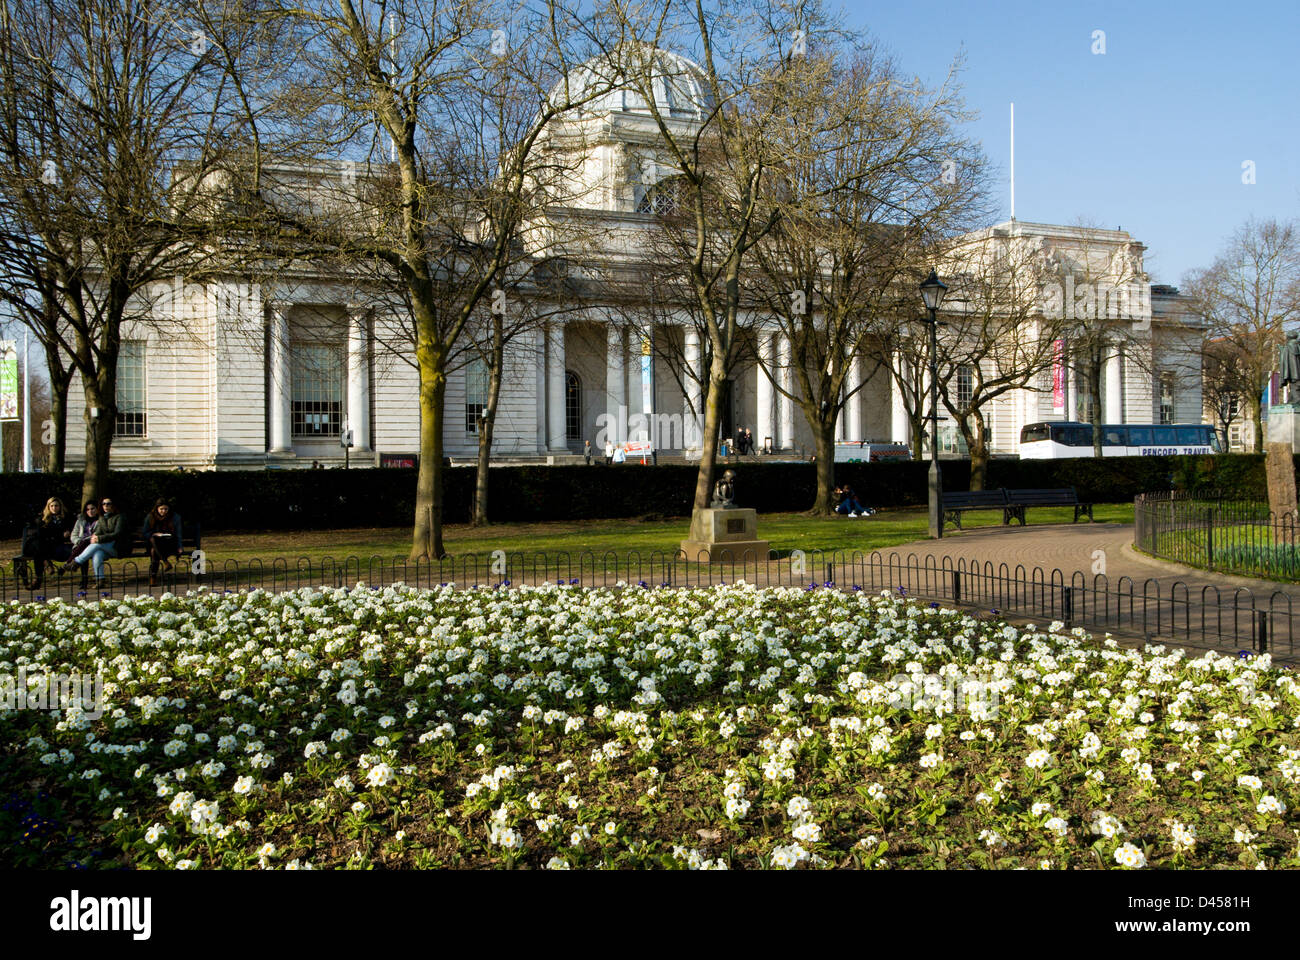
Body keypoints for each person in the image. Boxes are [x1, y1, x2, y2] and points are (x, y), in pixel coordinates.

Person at [64, 496, 129, 584]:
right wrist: (94, 536)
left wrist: (99, 538)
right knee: (97, 553)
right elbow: (99, 531)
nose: (106, 506)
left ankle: (77, 562)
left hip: (118, 547)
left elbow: (117, 534)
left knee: (96, 545)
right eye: (104, 504)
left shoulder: (120, 517)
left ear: (113, 505)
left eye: (108, 504)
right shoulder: (102, 517)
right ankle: (100, 580)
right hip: (106, 547)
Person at [21, 497, 74, 588]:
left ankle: (38, 579)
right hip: (41, 545)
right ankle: (45, 564)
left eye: (56, 506)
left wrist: (57, 534)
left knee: (39, 553)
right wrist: (58, 534)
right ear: (48, 507)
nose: (54, 508)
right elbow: (41, 534)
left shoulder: (66, 518)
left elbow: (64, 534)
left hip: (54, 546)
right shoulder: (42, 519)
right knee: (39, 545)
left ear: (60, 507)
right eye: (51, 506)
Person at [141, 498, 183, 586]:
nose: (163, 511)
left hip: (168, 543)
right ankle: (165, 562)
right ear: (157, 508)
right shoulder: (151, 517)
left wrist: (180, 547)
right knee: (153, 543)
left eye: (166, 509)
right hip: (154, 542)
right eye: (161, 509)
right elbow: (144, 533)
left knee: (154, 551)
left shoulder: (175, 517)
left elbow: (178, 533)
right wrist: (155, 533)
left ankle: (153, 577)